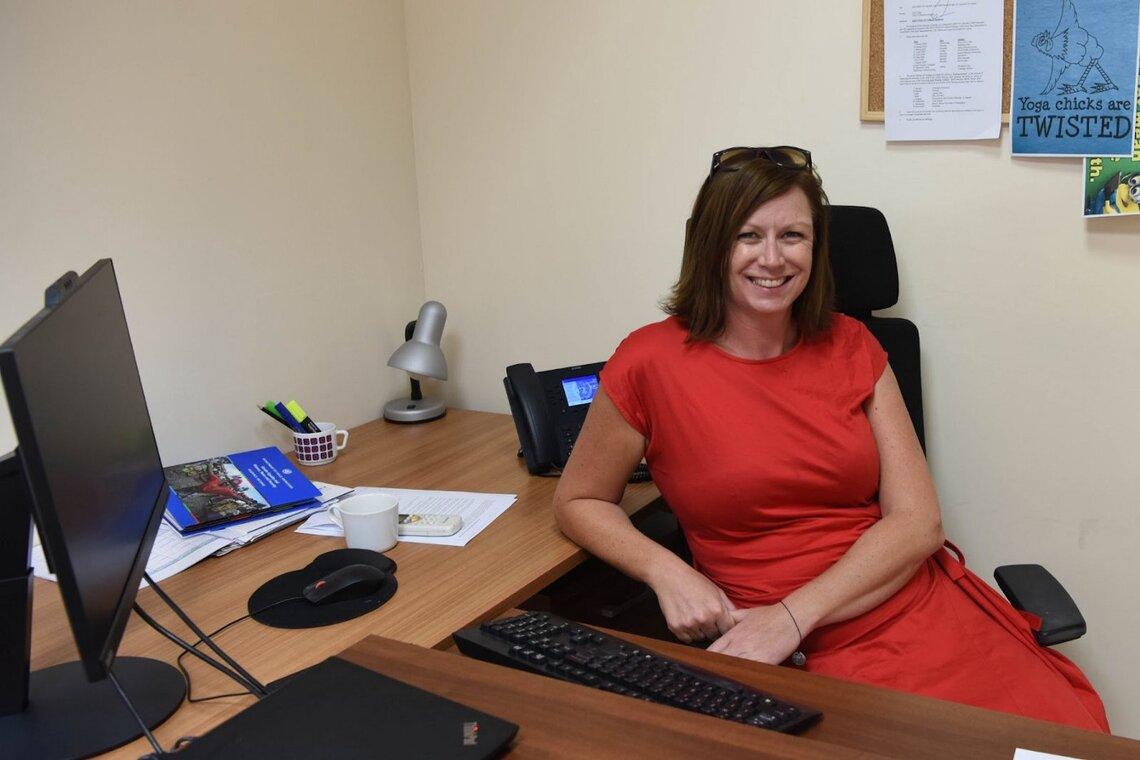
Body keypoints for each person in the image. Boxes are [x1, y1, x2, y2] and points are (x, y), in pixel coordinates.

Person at [552, 146, 1109, 732]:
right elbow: (579, 500)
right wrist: (667, 571)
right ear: (712, 245)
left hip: (906, 606)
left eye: (792, 236)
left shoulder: (852, 344)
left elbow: (918, 523)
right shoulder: (648, 361)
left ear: (815, 248)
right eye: (748, 236)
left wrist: (793, 616)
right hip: (783, 650)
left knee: (1056, 741)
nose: (772, 258)